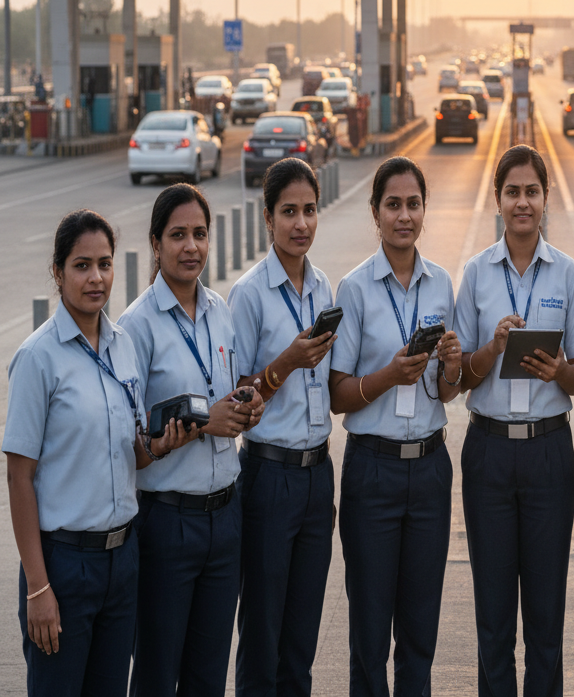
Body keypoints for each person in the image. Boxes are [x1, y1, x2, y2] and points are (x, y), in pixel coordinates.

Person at [4, 210, 165, 696]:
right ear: (57, 273)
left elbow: (132, 452)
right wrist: (38, 587)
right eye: (81, 265)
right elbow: (18, 478)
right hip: (64, 565)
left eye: (105, 264)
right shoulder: (38, 358)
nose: (96, 278)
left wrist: (166, 441)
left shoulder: (123, 347)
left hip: (122, 559)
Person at [456, 144, 574, 697]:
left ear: (545, 198)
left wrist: (560, 370)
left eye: (531, 192)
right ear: (497, 200)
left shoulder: (567, 274)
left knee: (545, 611)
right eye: (511, 192)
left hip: (547, 452)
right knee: (492, 614)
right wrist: (492, 349)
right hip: (488, 451)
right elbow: (460, 376)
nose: (522, 202)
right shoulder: (475, 274)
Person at [119, 183, 264, 697]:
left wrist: (246, 402)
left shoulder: (221, 310)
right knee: (158, 675)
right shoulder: (134, 328)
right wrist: (205, 423)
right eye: (178, 235)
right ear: (155, 244)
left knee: (208, 678)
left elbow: (222, 392)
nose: (191, 247)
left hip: (225, 518)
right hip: (167, 522)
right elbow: (131, 437)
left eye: (200, 234)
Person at [328, 156, 462, 697]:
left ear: (424, 211)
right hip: (373, 471)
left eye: (413, 204)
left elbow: (447, 391)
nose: (404, 216)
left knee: (420, 627)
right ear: (376, 212)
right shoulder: (355, 289)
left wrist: (451, 367)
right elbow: (339, 395)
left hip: (430, 469)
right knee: (370, 629)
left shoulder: (441, 284)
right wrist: (390, 375)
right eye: (393, 205)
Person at [228, 158, 340, 696]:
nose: (301, 223)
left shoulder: (322, 286)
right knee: (263, 632)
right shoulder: (249, 294)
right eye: (289, 212)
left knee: (301, 635)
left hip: (319, 475)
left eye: (310, 210)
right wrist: (285, 363)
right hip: (269, 477)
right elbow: (238, 397)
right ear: (268, 217)